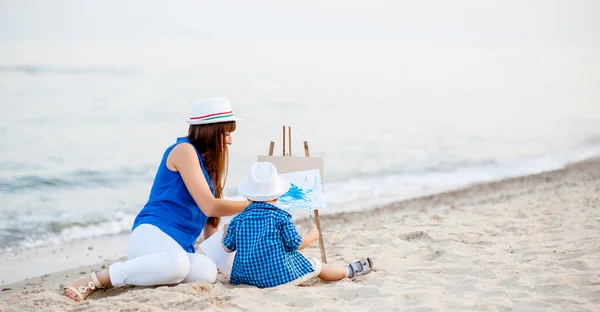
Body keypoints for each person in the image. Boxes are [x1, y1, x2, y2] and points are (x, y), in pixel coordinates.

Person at [64, 97, 249, 301]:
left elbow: (210, 221)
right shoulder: (183, 151)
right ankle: (97, 279)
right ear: (211, 131)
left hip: (177, 249)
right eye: (227, 133)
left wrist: (221, 264)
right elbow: (210, 207)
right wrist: (253, 204)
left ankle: (152, 271)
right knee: (177, 265)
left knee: (207, 272)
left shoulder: (207, 166)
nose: (230, 141)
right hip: (152, 234)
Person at [222, 162, 373, 288]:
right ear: (276, 196)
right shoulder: (280, 217)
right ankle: (348, 271)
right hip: (278, 278)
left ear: (247, 196)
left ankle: (347, 271)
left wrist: (225, 231)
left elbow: (227, 247)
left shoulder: (238, 219)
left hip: (244, 279)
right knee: (316, 265)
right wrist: (312, 235)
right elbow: (296, 244)